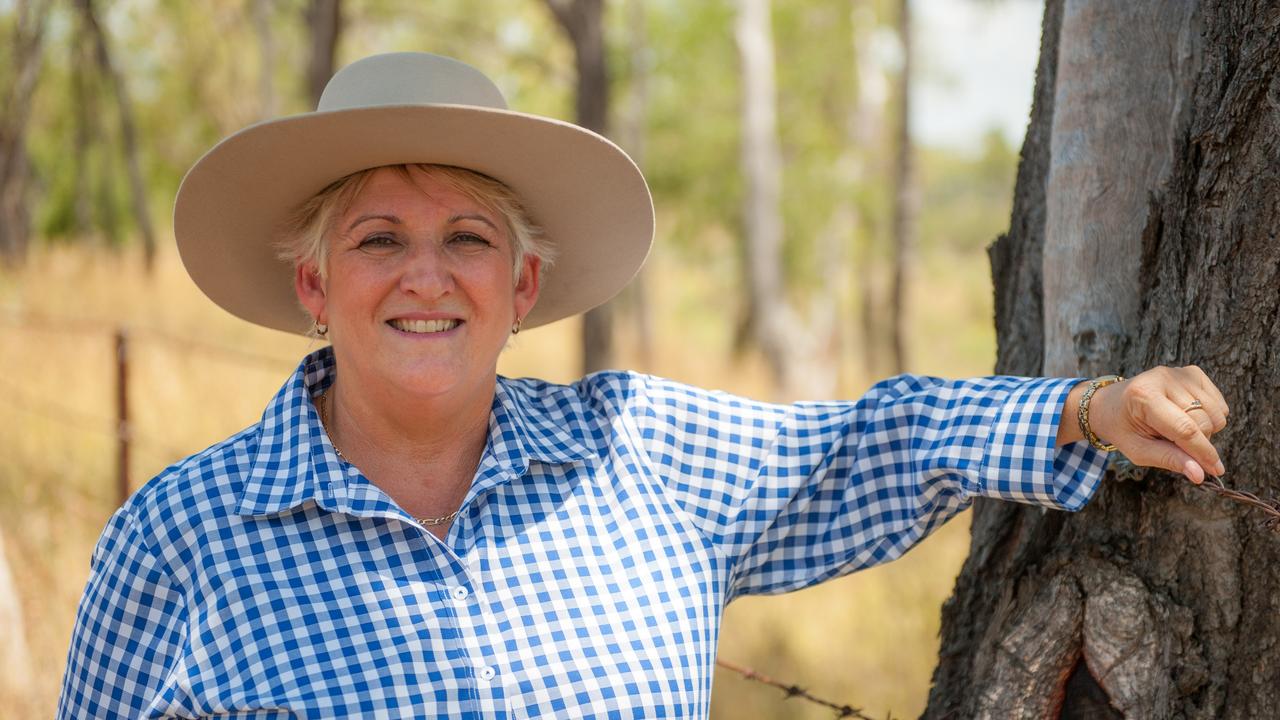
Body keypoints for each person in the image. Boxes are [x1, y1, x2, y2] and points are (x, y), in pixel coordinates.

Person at [57, 52, 1228, 719]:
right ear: (313, 287)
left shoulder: (636, 453)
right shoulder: (181, 538)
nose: (428, 278)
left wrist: (1090, 410)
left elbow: (876, 444)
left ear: (521, 286)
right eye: (376, 241)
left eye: (467, 238)